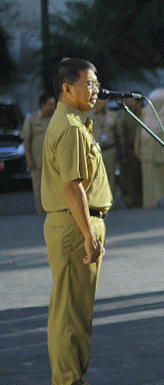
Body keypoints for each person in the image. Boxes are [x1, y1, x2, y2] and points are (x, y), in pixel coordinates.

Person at [41, 57, 112, 385]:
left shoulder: (73, 122)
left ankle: (69, 378)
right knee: (71, 315)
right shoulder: (70, 128)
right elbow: (72, 187)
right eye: (89, 84)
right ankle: (68, 380)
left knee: (70, 311)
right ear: (67, 88)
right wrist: (88, 234)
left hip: (73, 224)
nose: (95, 90)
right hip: (74, 227)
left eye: (96, 83)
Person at [136, 88, 164, 209]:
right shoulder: (146, 112)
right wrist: (137, 146)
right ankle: (150, 205)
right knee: (148, 182)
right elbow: (140, 131)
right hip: (147, 152)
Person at [21, 93, 56, 214]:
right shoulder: (32, 119)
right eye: (50, 104)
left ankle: (55, 211)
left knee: (55, 188)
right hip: (38, 162)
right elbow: (26, 140)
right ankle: (41, 211)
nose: (53, 107)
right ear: (43, 105)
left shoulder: (56, 118)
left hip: (54, 162)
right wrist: (29, 159)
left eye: (54, 104)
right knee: (39, 188)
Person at [117, 94, 144, 208]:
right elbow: (121, 135)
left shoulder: (144, 114)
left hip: (143, 149)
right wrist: (123, 153)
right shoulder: (124, 115)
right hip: (129, 149)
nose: (129, 103)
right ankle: (130, 201)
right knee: (129, 176)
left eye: (131, 101)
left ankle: (142, 200)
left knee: (141, 176)